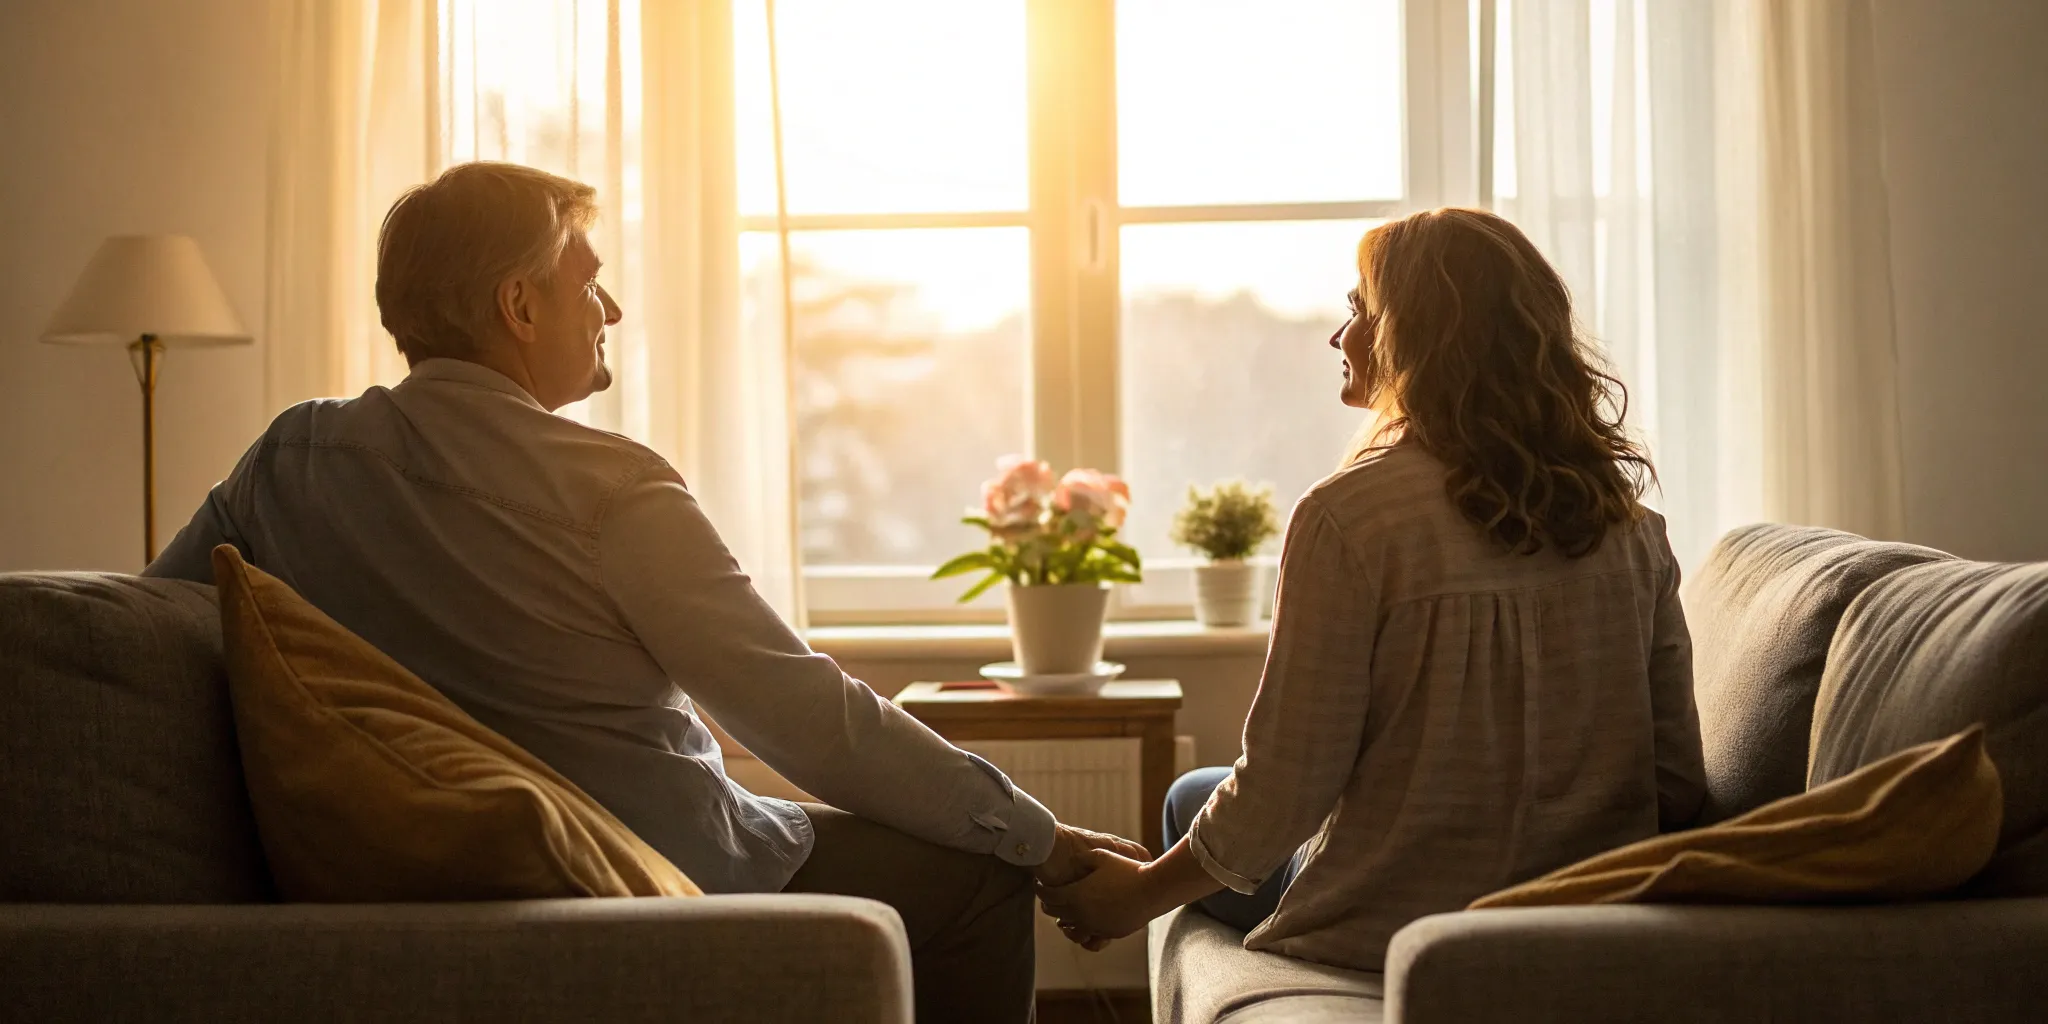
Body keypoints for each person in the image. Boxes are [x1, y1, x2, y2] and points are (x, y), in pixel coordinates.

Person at [146, 161, 1142, 1023]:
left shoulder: (291, 456)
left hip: (387, 872)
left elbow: (155, 620)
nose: (611, 311)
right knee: (979, 878)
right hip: (639, 874)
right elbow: (807, 718)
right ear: (518, 306)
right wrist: (1040, 839)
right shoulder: (609, 487)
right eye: (589, 282)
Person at [1039, 207, 1706, 972]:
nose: (1340, 336)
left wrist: (1137, 895)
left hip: (1398, 916)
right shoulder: (1631, 528)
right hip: (1585, 911)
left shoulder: (1349, 518)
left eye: (1359, 310)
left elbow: (1287, 783)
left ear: (1417, 336)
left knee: (1189, 797)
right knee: (1197, 793)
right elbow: (1676, 782)